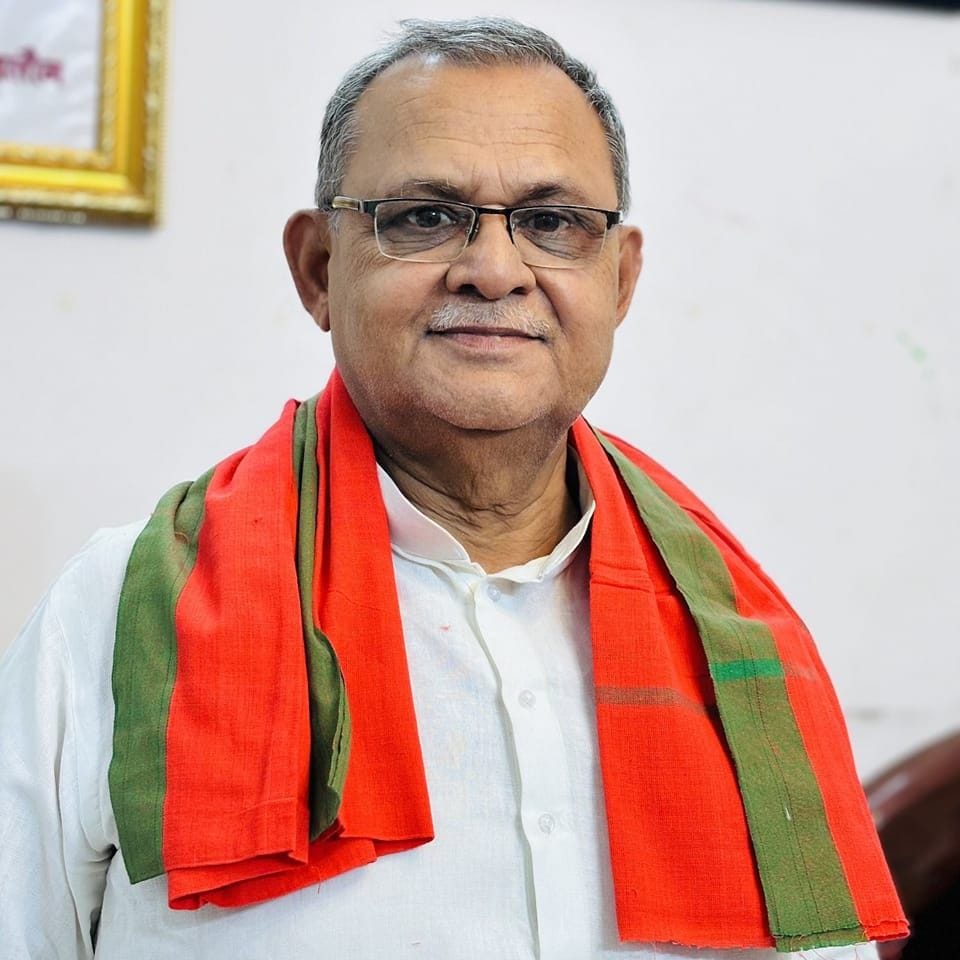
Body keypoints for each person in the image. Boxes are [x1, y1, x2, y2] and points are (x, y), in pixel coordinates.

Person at [0, 17, 905, 960]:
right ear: (318, 269)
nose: (493, 271)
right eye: (425, 217)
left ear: (620, 280)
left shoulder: (738, 640)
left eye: (552, 223)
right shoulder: (118, 614)